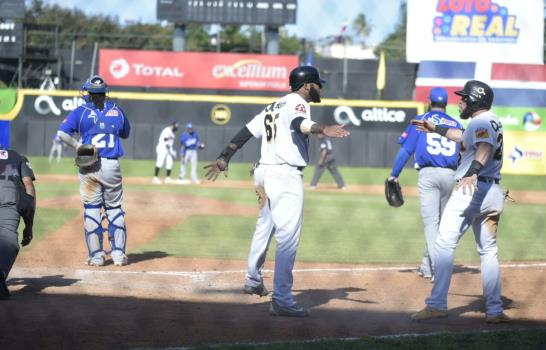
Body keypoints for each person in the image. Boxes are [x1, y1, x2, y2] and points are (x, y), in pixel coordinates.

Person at [204, 66, 350, 317]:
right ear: (306, 86)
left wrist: (224, 156)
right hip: (284, 175)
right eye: (317, 83)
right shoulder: (298, 102)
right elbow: (299, 123)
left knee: (265, 226)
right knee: (288, 236)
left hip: (262, 173)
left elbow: (245, 132)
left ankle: (252, 278)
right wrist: (323, 128)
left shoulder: (273, 106)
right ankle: (282, 299)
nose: (320, 88)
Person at [410, 80, 510, 323]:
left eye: (464, 97)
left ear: (475, 100)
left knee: (443, 243)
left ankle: (436, 304)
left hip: (471, 189)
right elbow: (463, 136)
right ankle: (495, 311)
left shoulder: (480, 121)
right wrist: (435, 128)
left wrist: (472, 171)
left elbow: (484, 146)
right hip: (493, 190)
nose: (460, 100)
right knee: (488, 250)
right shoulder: (488, 120)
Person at [57, 75, 131, 267]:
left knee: (91, 210)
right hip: (111, 165)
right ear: (105, 93)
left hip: (88, 165)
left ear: (88, 93)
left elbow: (62, 134)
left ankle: (97, 256)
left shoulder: (80, 112)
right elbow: (125, 133)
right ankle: (118, 255)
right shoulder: (118, 111)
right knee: (114, 209)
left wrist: (78, 144)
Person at [388, 87, 462, 280]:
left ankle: (439, 270)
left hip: (428, 175)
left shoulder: (422, 121)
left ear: (430, 101)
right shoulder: (456, 123)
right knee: (440, 223)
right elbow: (463, 154)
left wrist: (393, 175)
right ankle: (426, 267)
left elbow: (406, 151)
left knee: (431, 224)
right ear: (446, 103)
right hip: (450, 175)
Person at [0, 149, 36, 299]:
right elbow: (28, 186)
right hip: (8, 192)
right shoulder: (17, 156)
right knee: (8, 242)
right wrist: (28, 225)